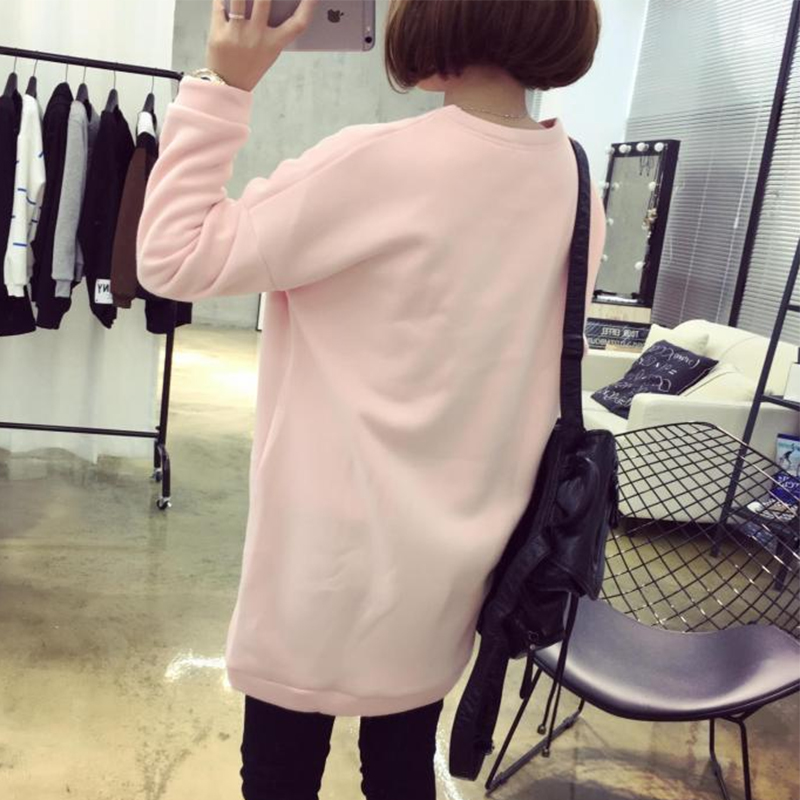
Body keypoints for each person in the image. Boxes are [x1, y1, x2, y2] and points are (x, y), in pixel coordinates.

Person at [136, 0, 605, 797]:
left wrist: (225, 86)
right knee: (401, 768)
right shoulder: (578, 187)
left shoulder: (377, 163)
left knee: (280, 775)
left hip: (328, 566)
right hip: (458, 568)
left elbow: (172, 258)